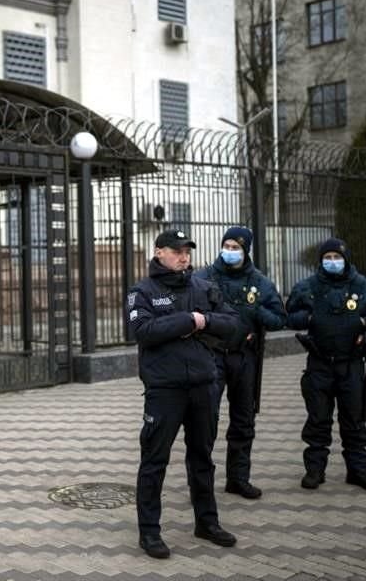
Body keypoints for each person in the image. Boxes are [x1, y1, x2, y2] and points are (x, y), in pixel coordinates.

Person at [126, 228, 240, 559]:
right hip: (165, 390)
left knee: (202, 458)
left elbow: (232, 324)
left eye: (187, 250)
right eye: (176, 250)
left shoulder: (204, 287)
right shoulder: (142, 291)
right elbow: (144, 331)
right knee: (154, 460)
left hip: (204, 385)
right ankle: (149, 532)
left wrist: (203, 321)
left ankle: (207, 522)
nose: (184, 256)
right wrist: (190, 320)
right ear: (159, 252)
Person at [286, 237, 366, 492]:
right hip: (319, 364)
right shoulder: (308, 287)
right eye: (327, 258)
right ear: (321, 261)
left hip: (351, 365)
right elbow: (289, 316)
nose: (332, 262)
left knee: (354, 420)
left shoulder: (364, 287)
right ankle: (315, 470)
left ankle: (357, 471)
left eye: (337, 257)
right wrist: (309, 318)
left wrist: (365, 322)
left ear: (346, 259)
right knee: (318, 419)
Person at [196, 226, 286, 500]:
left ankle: (238, 478)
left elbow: (280, 318)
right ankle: (201, 484)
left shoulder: (260, 282)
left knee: (244, 420)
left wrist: (258, 311)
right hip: (211, 356)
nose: (230, 252)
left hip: (244, 358)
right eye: (227, 246)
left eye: (236, 247)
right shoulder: (204, 277)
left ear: (246, 250)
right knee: (204, 420)